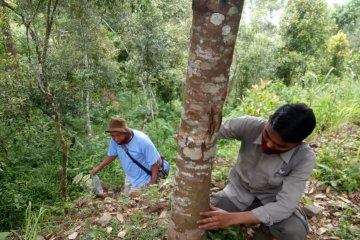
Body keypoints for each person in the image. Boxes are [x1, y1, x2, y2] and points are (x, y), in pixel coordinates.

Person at [197, 103, 316, 240]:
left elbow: (284, 205)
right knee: (200, 216)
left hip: (272, 200)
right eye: (267, 135)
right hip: (237, 192)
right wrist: (189, 138)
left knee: (294, 231)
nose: (270, 144)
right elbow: (211, 131)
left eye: (280, 146)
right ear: (270, 119)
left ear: (298, 144)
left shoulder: (304, 157)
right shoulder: (250, 125)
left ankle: (263, 234)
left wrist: (232, 218)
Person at [91, 117, 162, 196]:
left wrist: (152, 183)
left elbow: (156, 163)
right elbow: (112, 154)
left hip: (144, 179)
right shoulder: (115, 139)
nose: (116, 139)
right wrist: (99, 167)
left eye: (118, 136)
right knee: (125, 198)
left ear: (126, 132)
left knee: (132, 203)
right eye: (113, 136)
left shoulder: (143, 141)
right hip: (130, 178)